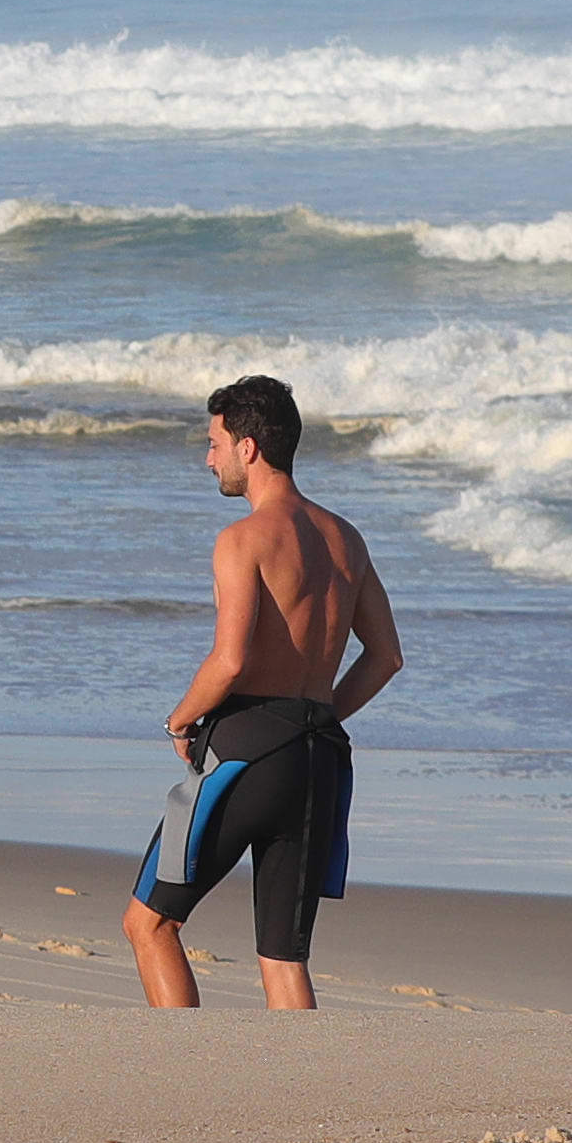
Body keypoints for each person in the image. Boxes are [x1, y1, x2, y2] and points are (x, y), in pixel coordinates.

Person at [124, 373, 399, 1011]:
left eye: (215, 442)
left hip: (247, 753)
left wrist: (179, 720)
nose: (208, 457)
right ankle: (307, 1104)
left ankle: (189, 1076)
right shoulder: (346, 539)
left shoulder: (243, 539)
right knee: (283, 958)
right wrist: (321, 711)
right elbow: (385, 657)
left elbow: (229, 661)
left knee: (150, 923)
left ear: (249, 448)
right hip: (318, 757)